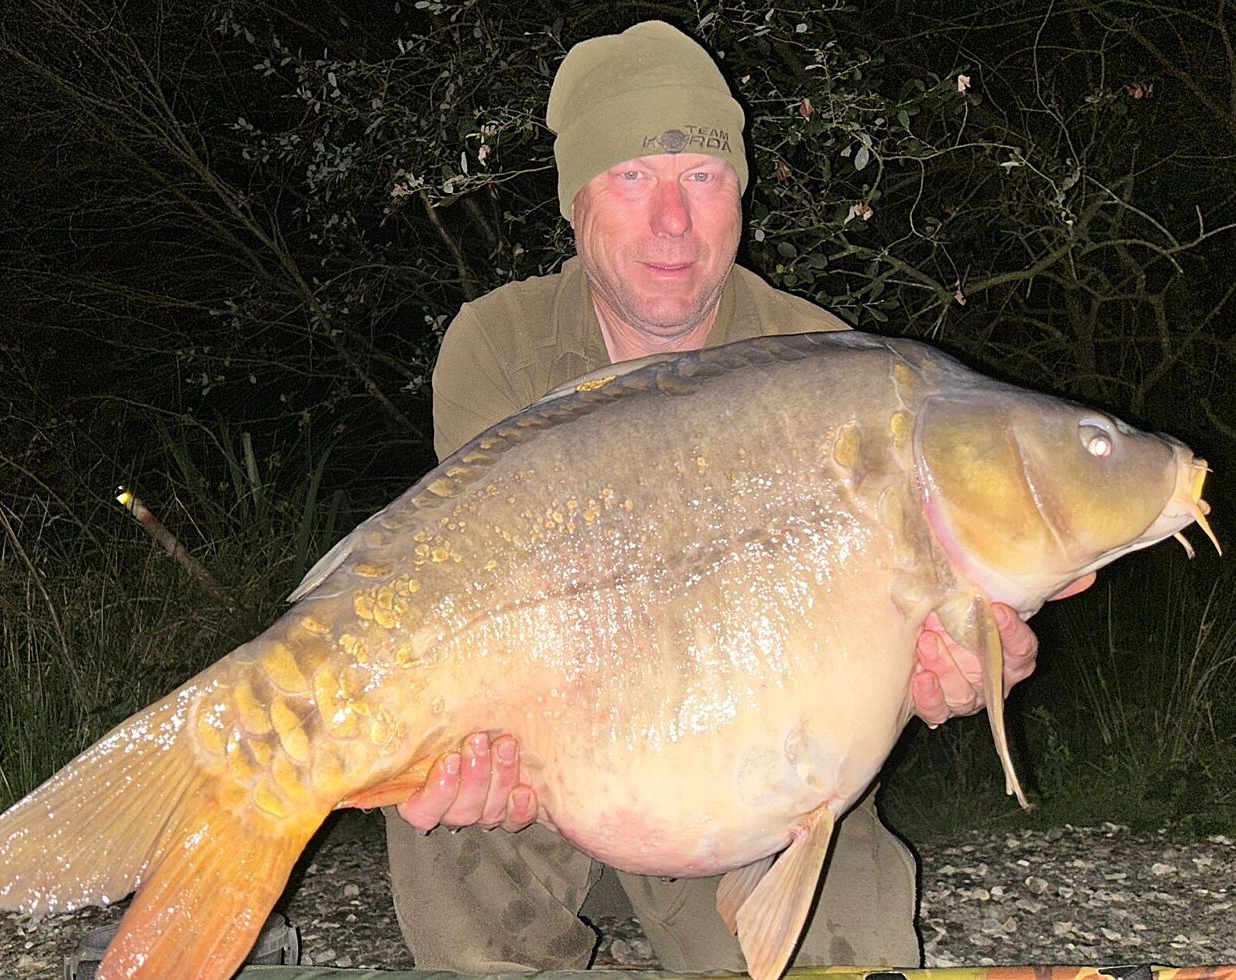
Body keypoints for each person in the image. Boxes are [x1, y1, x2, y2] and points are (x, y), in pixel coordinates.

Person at [384, 21, 1092, 972]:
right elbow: (468, 606)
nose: (673, 221)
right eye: (634, 177)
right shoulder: (498, 347)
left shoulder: (827, 365)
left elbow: (900, 639)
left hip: (761, 784)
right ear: (577, 201)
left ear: (740, 197)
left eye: (704, 178)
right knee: (436, 804)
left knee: (843, 954)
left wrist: (955, 670)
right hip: (556, 767)